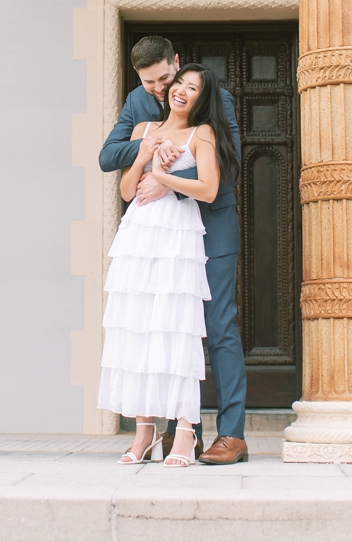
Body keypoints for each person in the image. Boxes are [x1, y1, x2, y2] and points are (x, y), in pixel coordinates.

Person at [100, 37, 249, 465]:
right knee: (168, 325)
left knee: (218, 327)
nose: (162, 90)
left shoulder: (215, 98)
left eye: (167, 79)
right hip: (162, 238)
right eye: (151, 83)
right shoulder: (137, 103)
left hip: (210, 226)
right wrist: (151, 147)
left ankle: (232, 435)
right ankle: (186, 431)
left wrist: (170, 177)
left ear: (177, 65)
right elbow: (109, 155)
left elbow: (231, 160)